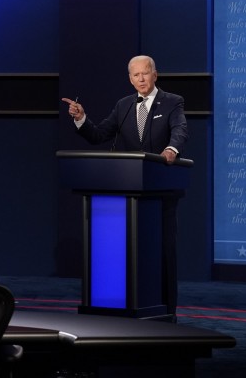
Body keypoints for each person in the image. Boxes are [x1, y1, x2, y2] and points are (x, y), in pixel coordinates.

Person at [61, 54, 188, 319]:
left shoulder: (173, 101)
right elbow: (98, 135)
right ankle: (123, 306)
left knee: (163, 252)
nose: (141, 79)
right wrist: (82, 119)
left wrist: (171, 148)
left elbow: (180, 130)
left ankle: (167, 310)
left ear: (155, 74)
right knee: (126, 254)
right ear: (130, 79)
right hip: (126, 192)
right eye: (135, 75)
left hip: (160, 192)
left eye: (145, 73)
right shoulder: (124, 106)